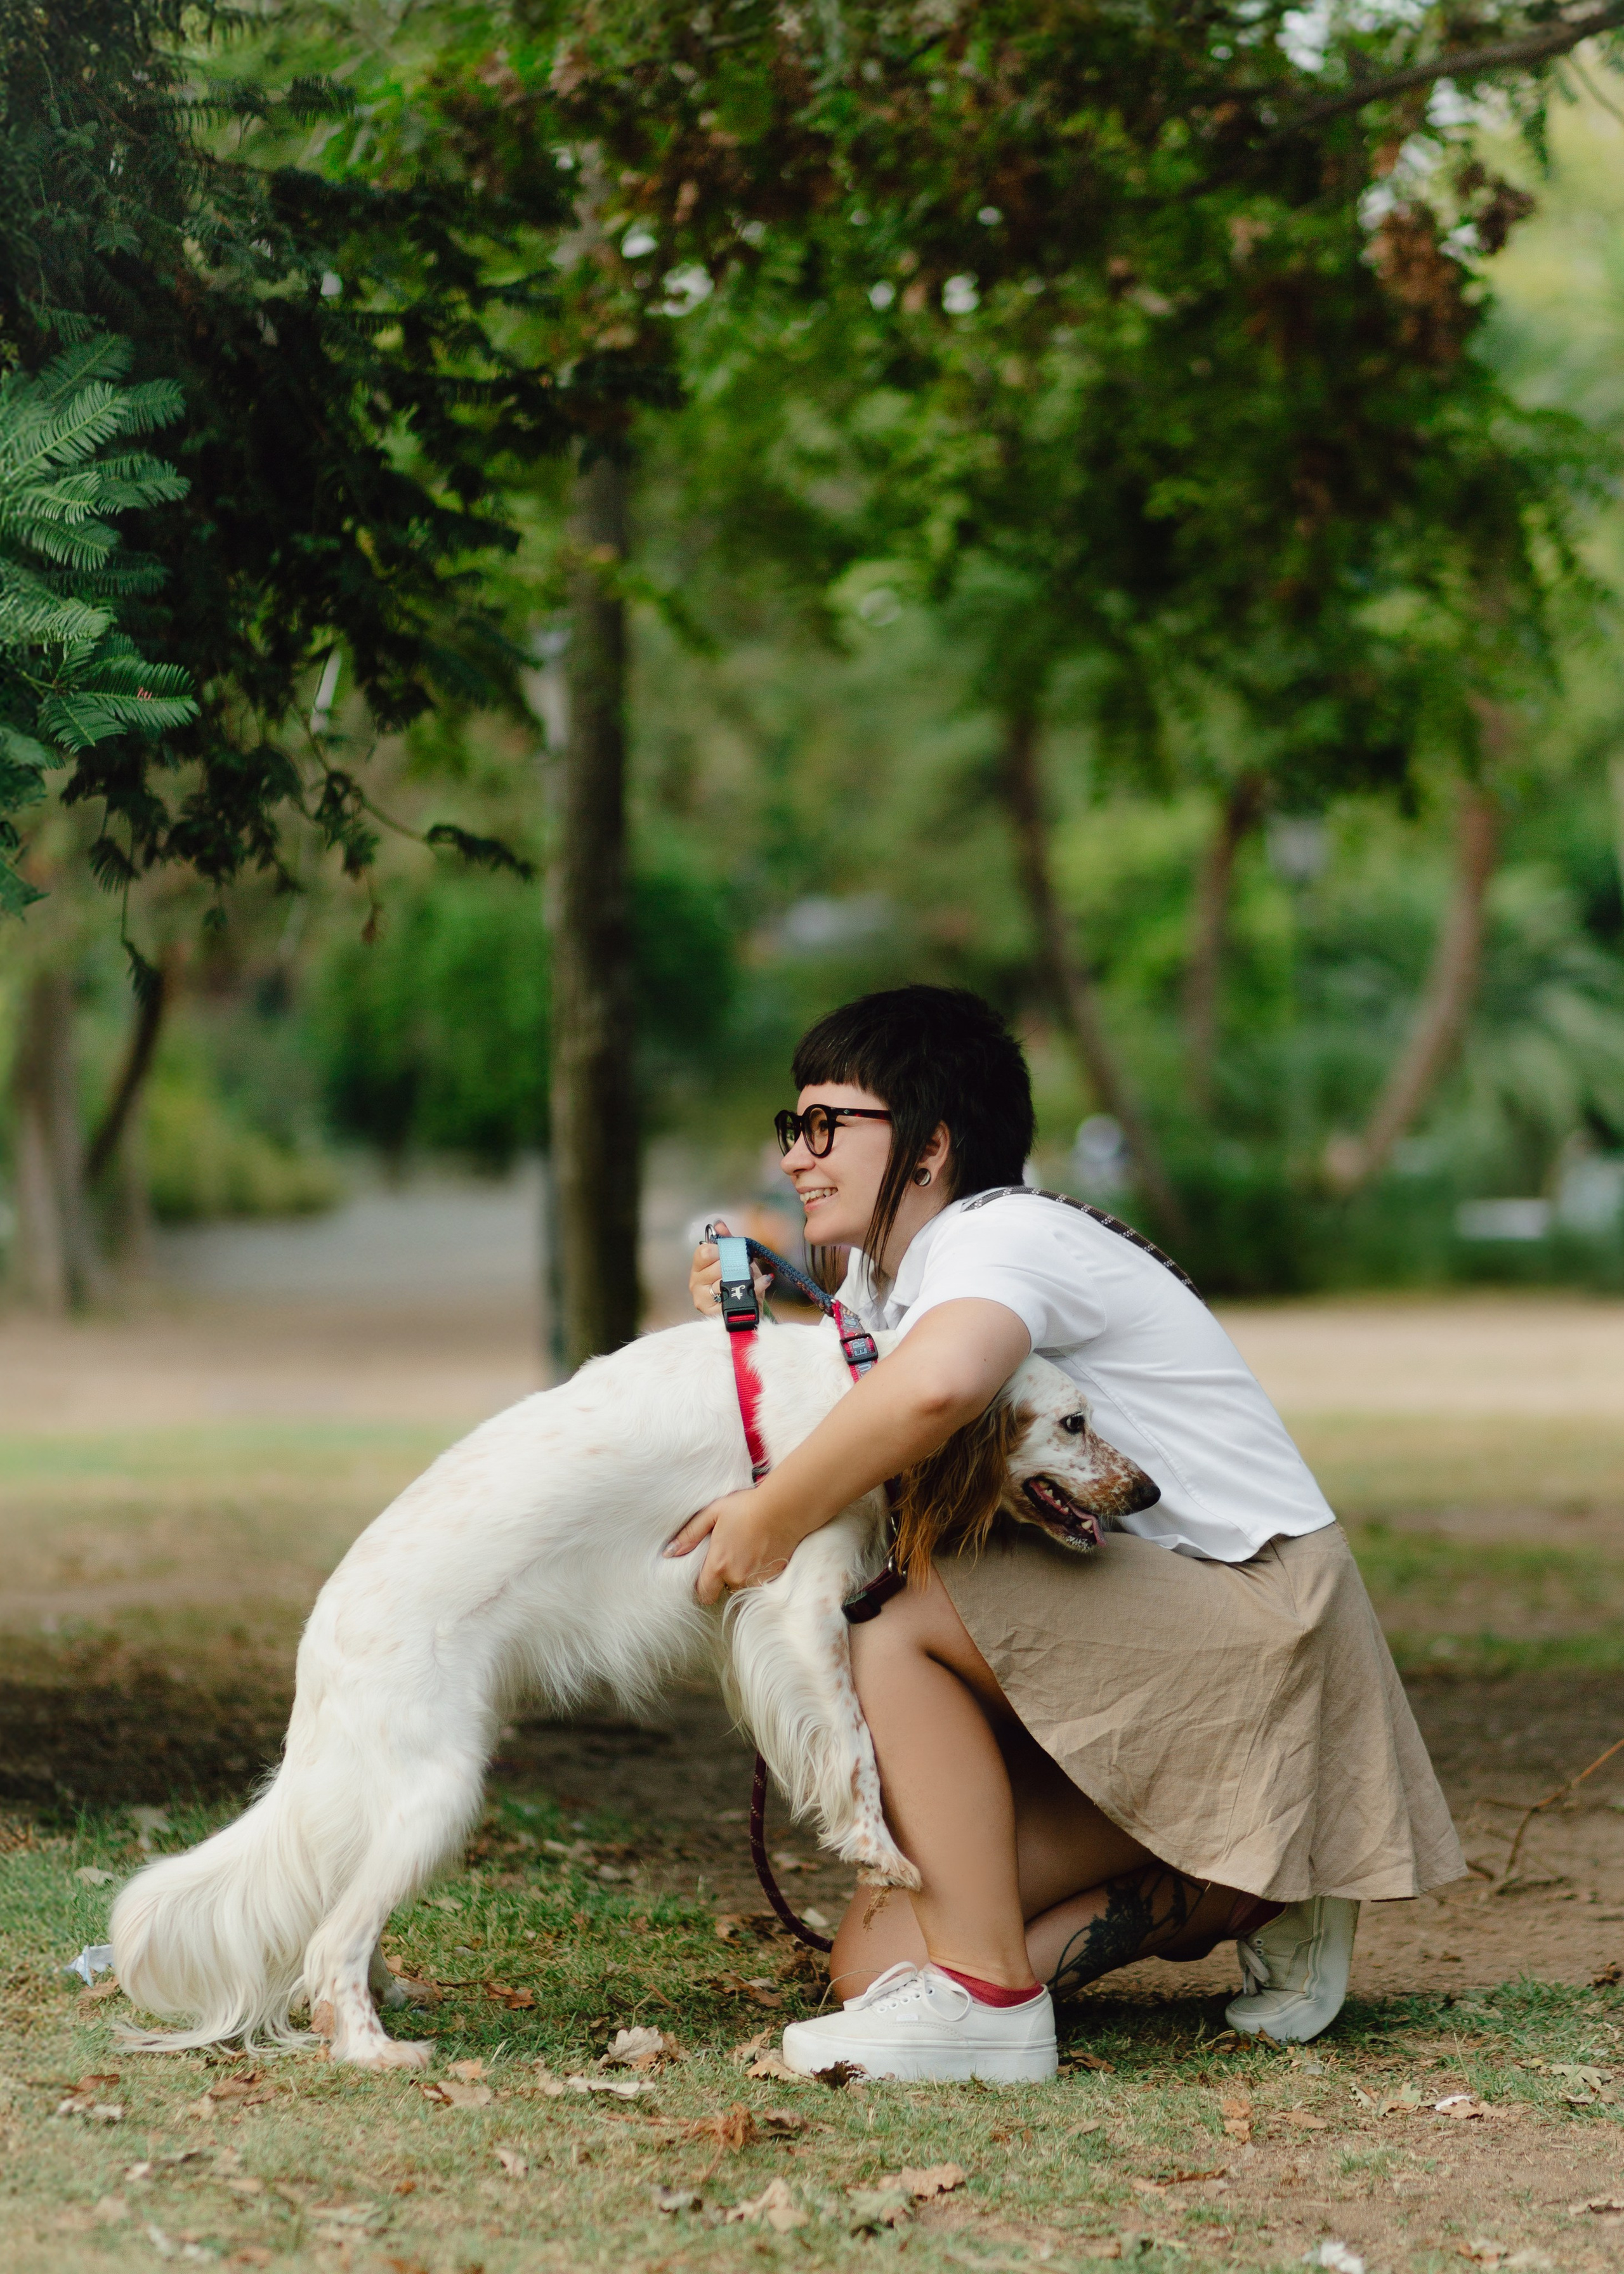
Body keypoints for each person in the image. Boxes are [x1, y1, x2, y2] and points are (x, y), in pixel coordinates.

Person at [668, 986, 1463, 2083]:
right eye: (790, 1126)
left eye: (825, 1124)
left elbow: (938, 1389)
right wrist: (767, 1316)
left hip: (1259, 1624)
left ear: (932, 1145)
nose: (796, 1154)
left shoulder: (1002, 1233)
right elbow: (875, 1395)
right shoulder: (889, 1280)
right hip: (1144, 1638)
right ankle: (1238, 1887)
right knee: (873, 1966)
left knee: (887, 1608)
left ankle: (988, 2003)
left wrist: (771, 1515)